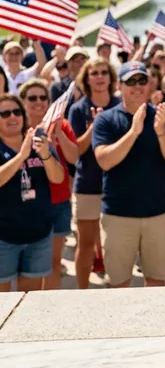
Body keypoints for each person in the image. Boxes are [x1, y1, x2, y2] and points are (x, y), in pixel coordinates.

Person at [92, 62, 165, 288]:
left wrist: (160, 131)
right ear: (119, 86)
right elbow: (104, 160)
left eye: (142, 81)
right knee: (119, 285)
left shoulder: (163, 116)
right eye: (130, 82)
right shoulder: (106, 119)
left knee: (156, 283)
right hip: (119, 215)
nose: (137, 87)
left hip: (158, 214)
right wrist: (134, 132)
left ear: (150, 84)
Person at [0, 93, 65, 292]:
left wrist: (45, 155)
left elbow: (58, 178)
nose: (13, 117)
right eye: (5, 113)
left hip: (39, 236)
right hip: (4, 238)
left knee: (29, 299)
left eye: (17, 112)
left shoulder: (39, 141)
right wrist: (21, 157)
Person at [19, 79, 79, 290]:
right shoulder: (15, 125)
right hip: (26, 204)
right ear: (23, 101)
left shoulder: (61, 124)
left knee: (53, 262)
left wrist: (59, 134)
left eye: (43, 97)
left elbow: (74, 158)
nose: (39, 102)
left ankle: (47, 308)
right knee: (26, 266)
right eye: (32, 98)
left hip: (57, 201)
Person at [68, 57, 120, 288]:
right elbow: (76, 149)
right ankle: (82, 291)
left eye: (103, 72)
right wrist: (93, 128)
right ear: (86, 79)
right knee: (86, 243)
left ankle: (116, 288)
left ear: (111, 78)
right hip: (88, 185)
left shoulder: (121, 105)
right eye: (94, 73)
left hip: (118, 186)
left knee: (116, 245)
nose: (99, 77)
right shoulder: (78, 109)